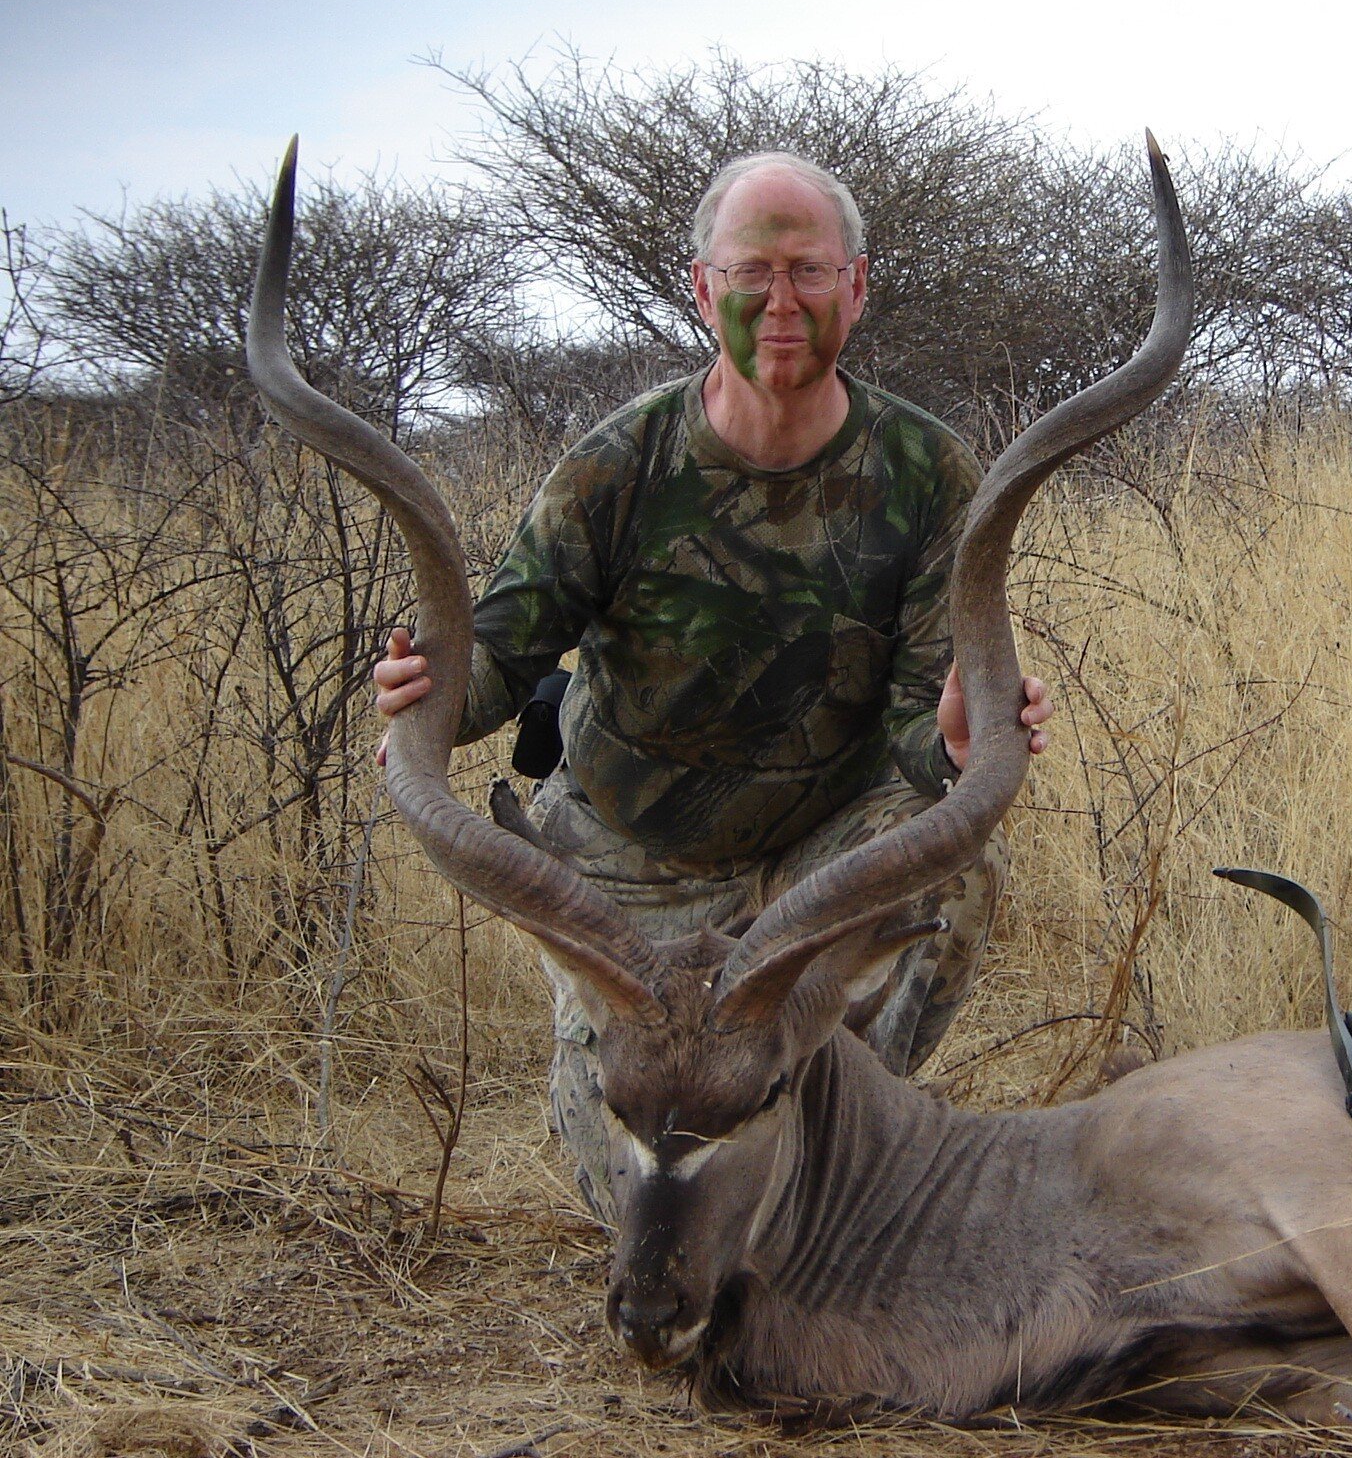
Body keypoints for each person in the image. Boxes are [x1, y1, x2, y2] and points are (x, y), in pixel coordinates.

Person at [371, 150, 1050, 1222]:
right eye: (749, 272)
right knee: (636, 1194)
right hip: (630, 871)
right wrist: (429, 686)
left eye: (808, 271)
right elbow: (498, 656)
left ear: (854, 286)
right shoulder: (617, 463)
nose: (778, 301)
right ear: (703, 289)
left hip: (816, 863)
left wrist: (960, 740)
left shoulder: (927, 469)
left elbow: (929, 722)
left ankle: (842, 1149)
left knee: (962, 864)